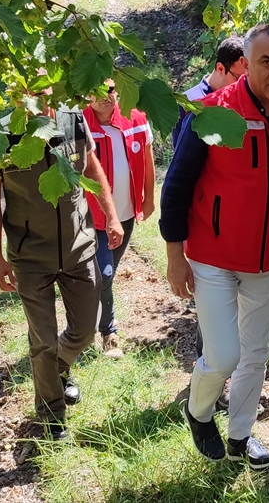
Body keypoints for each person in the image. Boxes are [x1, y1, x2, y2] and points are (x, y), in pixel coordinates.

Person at [161, 23, 269, 470]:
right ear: (246, 64)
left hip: (267, 258)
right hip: (212, 255)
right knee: (223, 355)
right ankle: (198, 411)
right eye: (267, 61)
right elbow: (176, 185)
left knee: (256, 354)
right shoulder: (213, 112)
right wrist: (175, 255)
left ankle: (240, 436)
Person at [0, 93, 124, 440]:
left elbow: (90, 166)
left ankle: (57, 370)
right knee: (42, 340)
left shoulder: (72, 120)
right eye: (29, 88)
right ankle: (52, 418)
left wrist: (111, 214)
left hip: (79, 247)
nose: (38, 96)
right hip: (30, 257)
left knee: (85, 331)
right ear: (16, 92)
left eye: (45, 87)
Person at [83, 81, 155, 359]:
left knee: (105, 274)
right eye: (97, 91)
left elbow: (147, 161)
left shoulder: (135, 119)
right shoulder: (80, 125)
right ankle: (107, 332)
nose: (105, 97)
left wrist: (147, 199)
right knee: (105, 273)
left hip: (125, 215)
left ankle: (85, 324)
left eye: (110, 90)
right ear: (86, 95)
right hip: (92, 217)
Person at [173, 35, 248, 144]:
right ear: (220, 68)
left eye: (247, 79)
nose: (243, 84)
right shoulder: (188, 102)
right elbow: (181, 156)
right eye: (238, 78)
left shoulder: (246, 101)